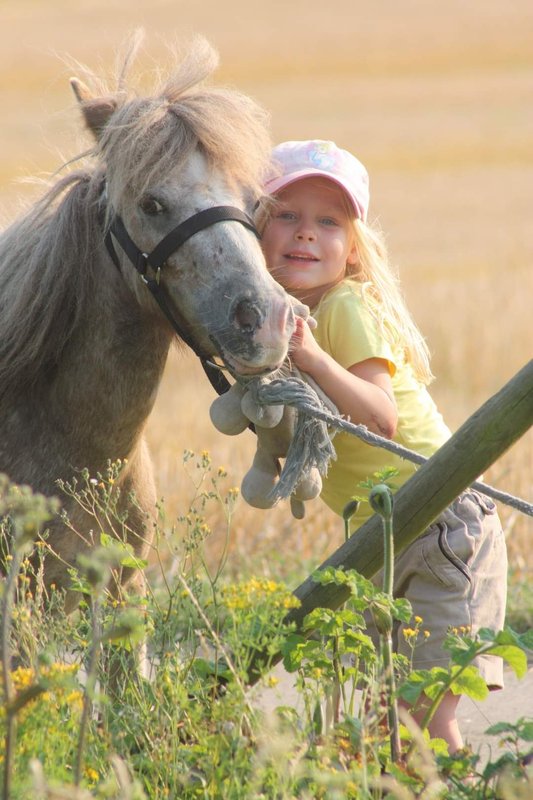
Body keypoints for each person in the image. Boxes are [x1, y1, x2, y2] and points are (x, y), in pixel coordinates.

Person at [257, 139, 507, 753]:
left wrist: (311, 359)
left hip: (443, 522)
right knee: (385, 723)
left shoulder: (341, 307)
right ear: (257, 230)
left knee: (423, 719)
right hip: (386, 537)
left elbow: (379, 417)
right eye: (287, 215)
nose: (305, 235)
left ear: (353, 248)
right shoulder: (285, 321)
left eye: (328, 222)